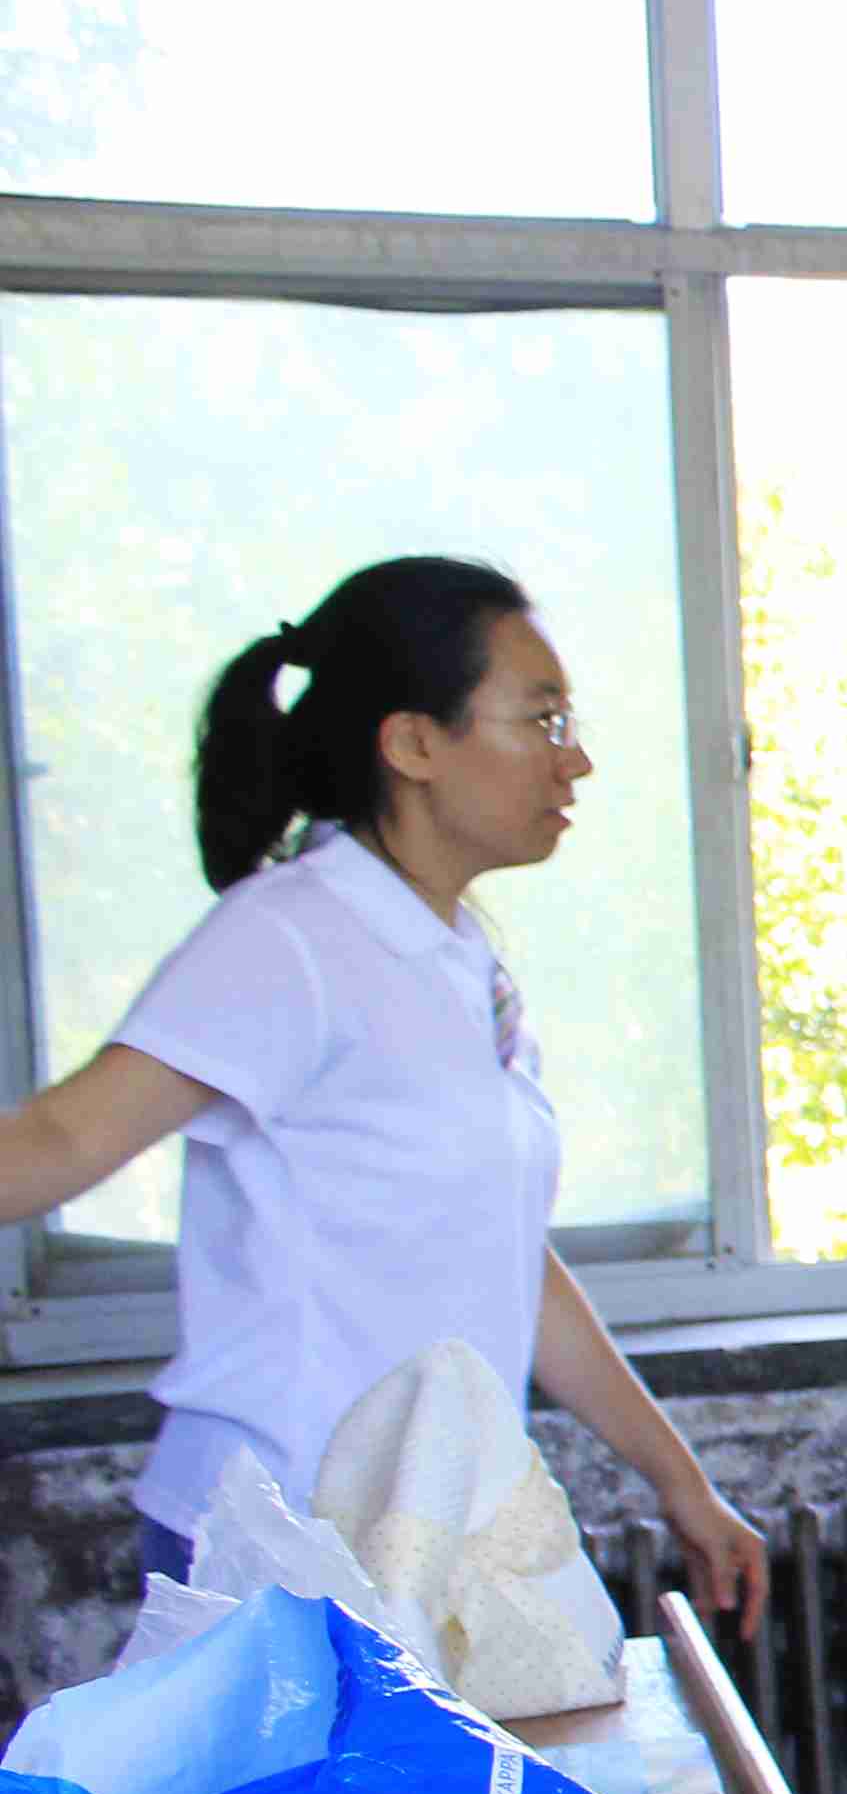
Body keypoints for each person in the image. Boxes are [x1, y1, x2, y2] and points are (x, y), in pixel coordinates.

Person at [0, 556, 762, 1616]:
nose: (576, 760)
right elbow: (57, 1144)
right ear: (411, 745)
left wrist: (680, 1480)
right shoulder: (288, 938)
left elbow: (508, 1255)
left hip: (419, 1529)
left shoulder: (459, 959)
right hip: (278, 1534)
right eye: (540, 720)